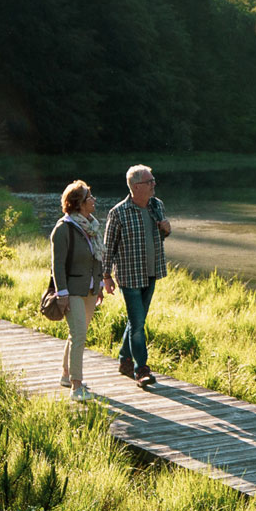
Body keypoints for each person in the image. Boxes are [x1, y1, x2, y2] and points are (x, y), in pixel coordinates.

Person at [98, 162, 172, 386]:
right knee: (138, 324)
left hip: (151, 272)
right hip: (130, 276)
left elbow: (161, 235)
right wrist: (106, 276)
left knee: (136, 321)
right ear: (136, 186)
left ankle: (124, 359)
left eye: (153, 180)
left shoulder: (156, 205)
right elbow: (108, 247)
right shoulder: (118, 212)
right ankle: (141, 370)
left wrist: (166, 229)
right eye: (150, 181)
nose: (154, 184)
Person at [49, 179, 108, 398]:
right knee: (79, 335)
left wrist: (100, 284)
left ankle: (66, 374)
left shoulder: (92, 226)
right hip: (71, 290)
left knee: (76, 335)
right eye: (89, 197)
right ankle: (76, 386)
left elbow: (97, 259)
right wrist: (61, 294)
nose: (93, 200)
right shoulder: (63, 228)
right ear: (78, 203)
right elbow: (57, 265)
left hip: (90, 289)